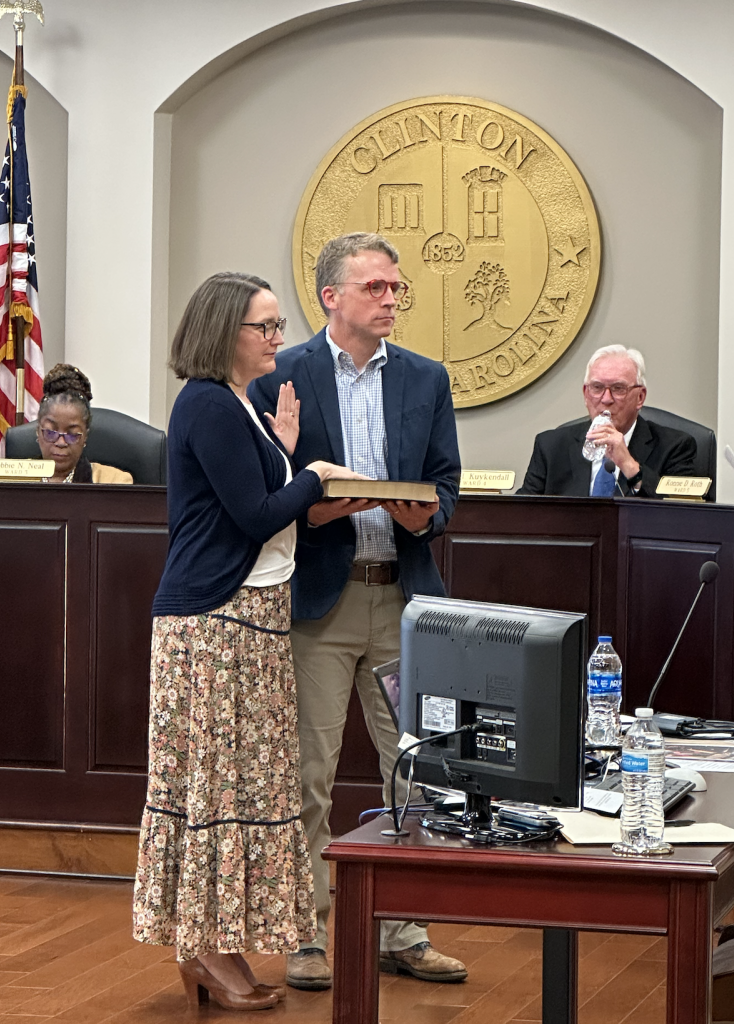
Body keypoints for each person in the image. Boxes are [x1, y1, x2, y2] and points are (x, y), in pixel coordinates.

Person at [132, 272, 362, 1012]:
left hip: (251, 618)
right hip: (215, 623)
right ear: (225, 331)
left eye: (275, 325)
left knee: (240, 788)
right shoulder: (208, 402)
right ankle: (202, 945)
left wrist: (288, 452)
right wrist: (316, 476)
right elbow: (258, 515)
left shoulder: (239, 405)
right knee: (214, 793)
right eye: (264, 326)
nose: (276, 338)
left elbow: (256, 496)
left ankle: (216, 942)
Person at [249, 232, 466, 990]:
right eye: (375, 287)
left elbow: (445, 485)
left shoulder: (426, 378)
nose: (391, 298)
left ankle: (403, 932)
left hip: (403, 597)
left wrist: (422, 514)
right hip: (320, 600)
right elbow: (267, 489)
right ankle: (307, 936)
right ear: (332, 296)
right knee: (308, 772)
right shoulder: (285, 373)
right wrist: (317, 504)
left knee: (412, 768)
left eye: (395, 288)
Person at [517, 344, 696, 498]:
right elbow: (522, 515)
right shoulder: (551, 447)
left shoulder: (676, 447)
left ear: (640, 397)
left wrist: (628, 464)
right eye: (597, 388)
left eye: (618, 389)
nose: (606, 399)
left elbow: (682, 516)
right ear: (586, 395)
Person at [36, 364, 133, 483]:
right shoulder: (13, 477)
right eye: (51, 432)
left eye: (72, 435)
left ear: (85, 436)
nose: (61, 442)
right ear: (38, 432)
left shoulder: (114, 481)